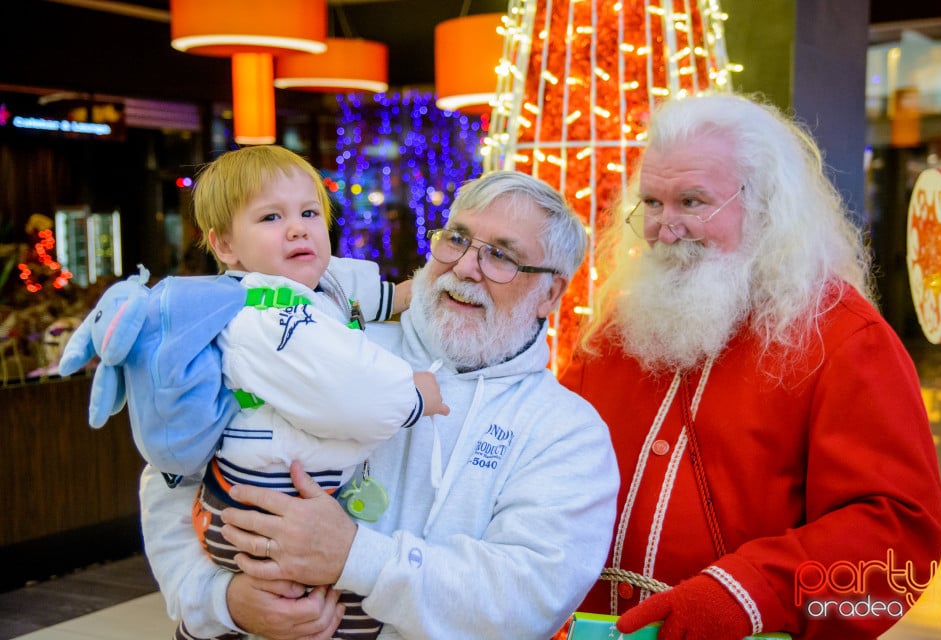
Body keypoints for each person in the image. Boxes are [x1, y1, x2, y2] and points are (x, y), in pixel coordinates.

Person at [138, 169, 620, 639]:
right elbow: (171, 472)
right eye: (457, 239)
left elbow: (527, 598)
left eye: (500, 256)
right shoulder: (324, 341)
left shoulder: (566, 431)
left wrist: (355, 557)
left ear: (550, 293)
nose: (465, 268)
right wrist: (223, 601)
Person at [559, 93, 941, 640]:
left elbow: (897, 537)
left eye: (692, 201)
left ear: (766, 205)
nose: (665, 227)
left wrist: (752, 594)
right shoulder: (617, 328)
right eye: (651, 202)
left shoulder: (844, 337)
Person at [86, 145, 448, 640]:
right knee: (335, 616)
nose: (298, 227)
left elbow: (375, 296)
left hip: (275, 502)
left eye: (309, 212)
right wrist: (415, 396)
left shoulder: (318, 288)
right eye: (271, 216)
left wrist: (427, 283)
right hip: (261, 509)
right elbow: (351, 398)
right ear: (228, 248)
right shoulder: (266, 313)